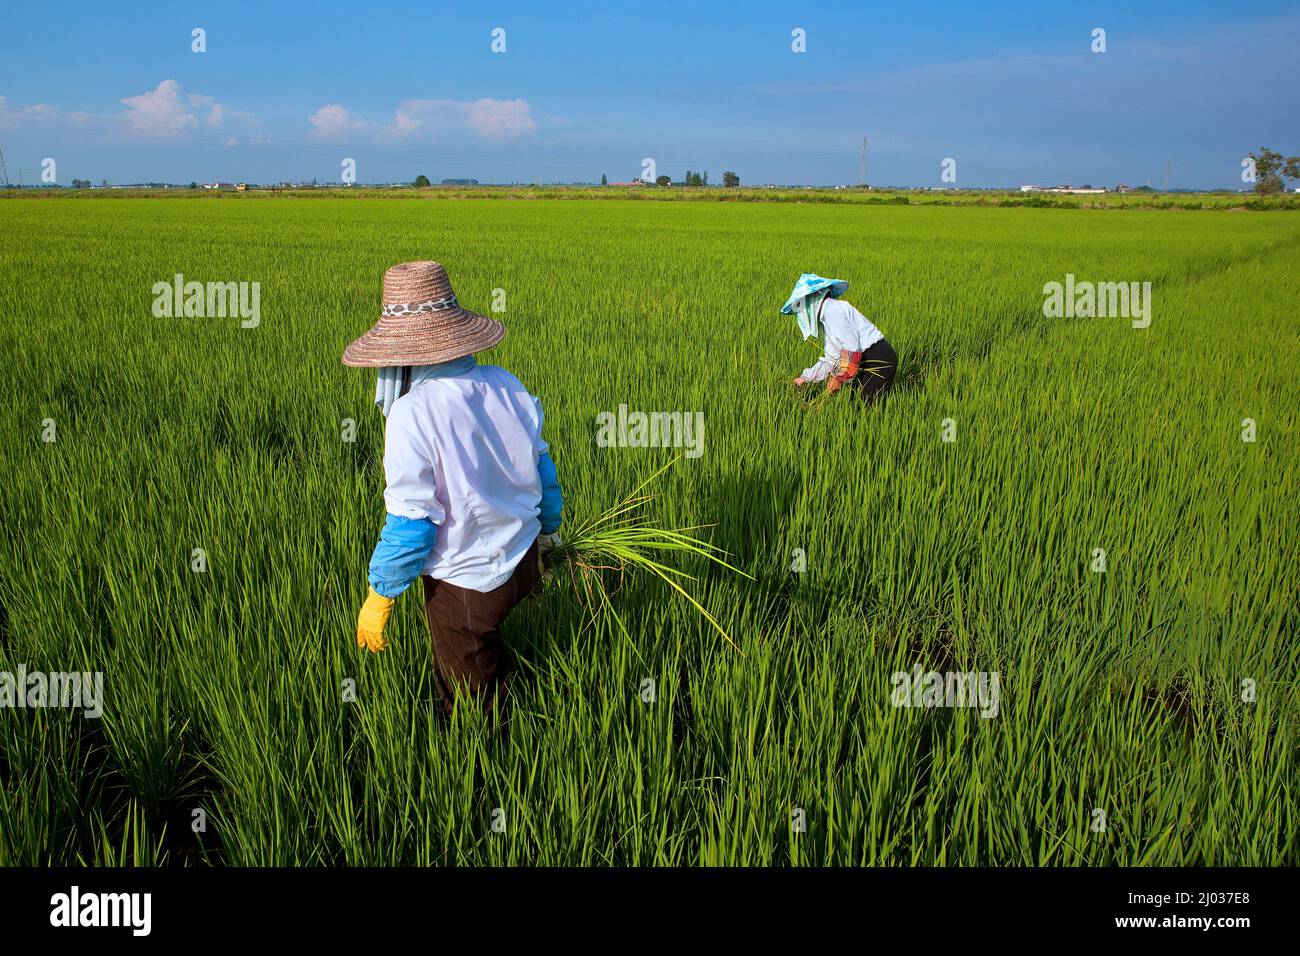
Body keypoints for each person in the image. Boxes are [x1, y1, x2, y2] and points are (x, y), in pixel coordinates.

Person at [342, 260, 562, 716]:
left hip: (467, 587)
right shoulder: (507, 384)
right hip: (524, 564)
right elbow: (544, 473)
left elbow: (412, 523)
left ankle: (483, 761)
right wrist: (550, 534)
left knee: (467, 695)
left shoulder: (412, 416)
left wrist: (380, 595)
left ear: (400, 355)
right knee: (492, 640)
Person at [783, 272, 897, 401]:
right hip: (864, 361)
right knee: (854, 403)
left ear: (812, 298)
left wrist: (838, 378)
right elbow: (832, 359)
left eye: (800, 305)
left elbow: (851, 348)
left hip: (878, 359)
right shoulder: (826, 319)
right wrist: (806, 378)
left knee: (866, 407)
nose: (801, 313)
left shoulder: (833, 312)